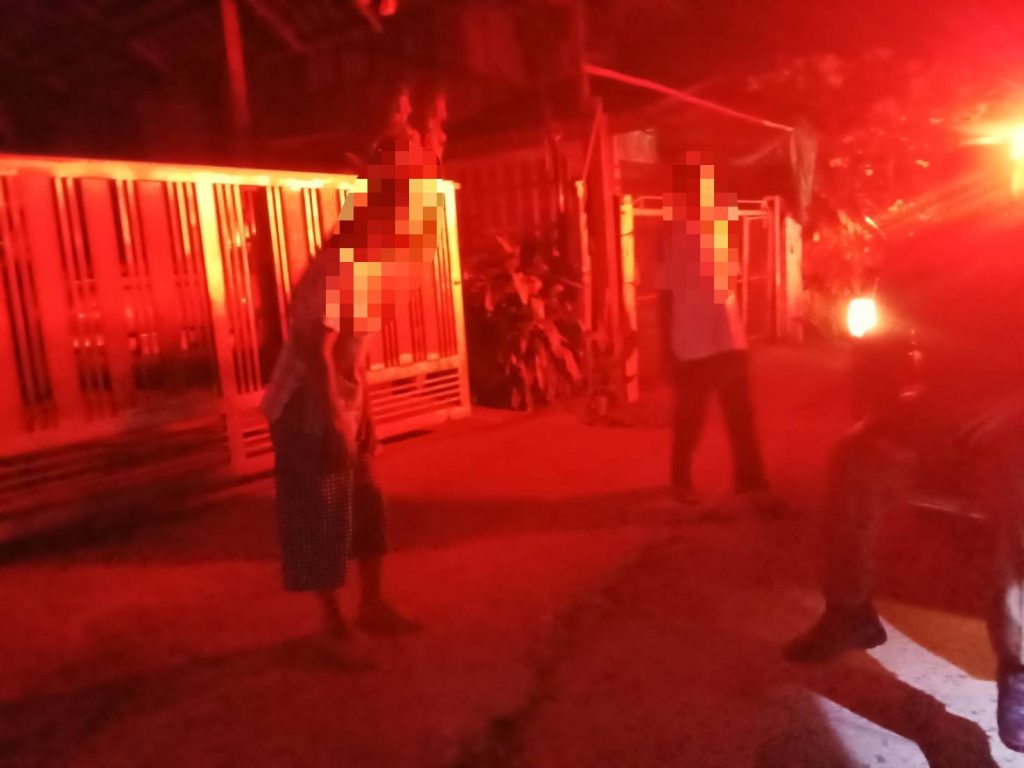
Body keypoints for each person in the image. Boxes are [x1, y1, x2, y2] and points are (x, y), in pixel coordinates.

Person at [783, 144, 1024, 753]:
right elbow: (883, 338)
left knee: (1017, 496)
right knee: (854, 458)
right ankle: (849, 612)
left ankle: (1020, 667)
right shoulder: (922, 251)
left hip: (1014, 413)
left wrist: (1013, 398)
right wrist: (882, 410)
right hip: (939, 408)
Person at [261, 134, 440, 656]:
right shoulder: (342, 260)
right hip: (304, 404)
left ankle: (372, 604)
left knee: (366, 502)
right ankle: (332, 625)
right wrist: (336, 418)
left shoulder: (375, 259)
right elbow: (315, 347)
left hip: (341, 400)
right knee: (320, 513)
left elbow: (355, 351)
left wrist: (366, 413)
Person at [657, 153, 778, 513]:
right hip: (693, 342)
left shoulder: (719, 225)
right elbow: (665, 294)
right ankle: (680, 481)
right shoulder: (673, 234)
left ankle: (750, 477)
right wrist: (666, 347)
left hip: (726, 336)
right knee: (690, 418)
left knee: (740, 413)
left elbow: (729, 284)